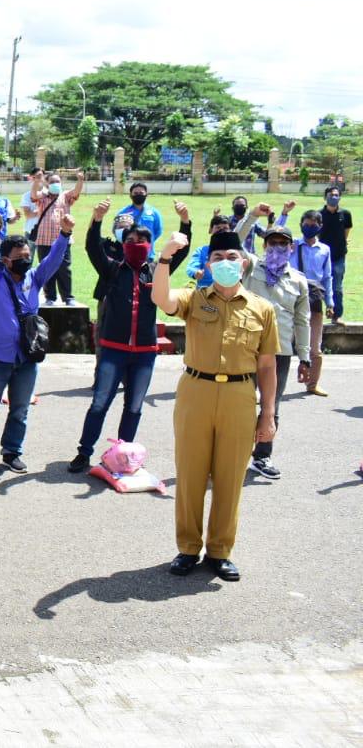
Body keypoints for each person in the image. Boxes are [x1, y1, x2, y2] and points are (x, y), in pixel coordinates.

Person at [152, 229, 279, 582]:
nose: (225, 263)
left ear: (244, 262)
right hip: (196, 390)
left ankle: (220, 551)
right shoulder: (195, 299)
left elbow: (267, 366)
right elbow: (162, 299)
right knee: (191, 474)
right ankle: (188, 548)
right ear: (208, 264)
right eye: (218, 258)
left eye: (232, 257)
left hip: (240, 395)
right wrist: (165, 258)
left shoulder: (262, 309)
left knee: (230, 478)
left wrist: (267, 414)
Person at [70, 199, 191, 472]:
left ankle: (123, 454)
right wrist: (97, 219)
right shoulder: (112, 268)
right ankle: (83, 452)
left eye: (142, 239)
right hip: (113, 349)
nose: (136, 243)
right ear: (123, 243)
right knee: (100, 403)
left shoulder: (156, 271)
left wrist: (186, 222)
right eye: (131, 239)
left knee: (134, 407)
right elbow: (92, 248)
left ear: (150, 245)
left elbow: (180, 253)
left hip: (145, 353)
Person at [0, 211, 74, 472]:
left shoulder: (35, 278)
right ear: (6, 260)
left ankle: (12, 451)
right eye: (20, 257)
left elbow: (54, 259)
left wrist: (65, 234)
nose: (26, 260)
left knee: (20, 409)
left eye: (28, 256)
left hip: (28, 356)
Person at [235, 209, 309, 480]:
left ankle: (262, 456)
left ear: (291, 247)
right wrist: (253, 215)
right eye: (272, 242)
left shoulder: (299, 281)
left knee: (271, 406)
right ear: (264, 245)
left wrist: (306, 358)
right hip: (246, 347)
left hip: (279, 353)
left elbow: (302, 323)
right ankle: (232, 453)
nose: (277, 246)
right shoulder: (252, 266)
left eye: (282, 243)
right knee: (239, 402)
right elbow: (236, 240)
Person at [291, 209, 333, 395]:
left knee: (315, 346)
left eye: (313, 225)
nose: (309, 228)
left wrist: (330, 302)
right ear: (301, 225)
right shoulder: (292, 245)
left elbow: (328, 277)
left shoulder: (324, 250)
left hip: (314, 299)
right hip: (291, 297)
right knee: (279, 346)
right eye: (306, 225)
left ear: (320, 227)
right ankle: (273, 384)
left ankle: (313, 384)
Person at [32, 171, 84, 306]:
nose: (55, 184)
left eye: (57, 182)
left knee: (64, 268)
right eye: (52, 182)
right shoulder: (43, 197)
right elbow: (33, 195)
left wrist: (80, 180)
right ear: (47, 184)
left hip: (63, 238)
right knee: (46, 268)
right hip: (44, 240)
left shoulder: (65, 196)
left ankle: (68, 297)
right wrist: (36, 182)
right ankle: (50, 297)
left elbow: (76, 192)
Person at [319, 187, 351, 324]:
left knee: (337, 287)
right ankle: (318, 315)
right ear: (325, 197)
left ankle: (336, 316)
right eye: (331, 195)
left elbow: (346, 231)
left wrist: (342, 245)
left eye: (337, 195)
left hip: (338, 256)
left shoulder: (345, 214)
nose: (334, 197)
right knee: (318, 287)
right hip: (321, 257)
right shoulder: (319, 215)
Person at [186, 216, 232, 287]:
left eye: (225, 228)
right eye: (218, 228)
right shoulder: (201, 251)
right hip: (205, 293)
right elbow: (190, 268)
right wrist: (196, 273)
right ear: (210, 230)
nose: (221, 231)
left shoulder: (235, 252)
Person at [117, 181, 164, 249]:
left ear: (146, 195)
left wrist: (147, 242)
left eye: (141, 193)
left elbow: (158, 231)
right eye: (135, 193)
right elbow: (117, 231)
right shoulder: (123, 212)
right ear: (130, 195)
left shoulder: (154, 212)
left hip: (148, 253)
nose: (138, 195)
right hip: (128, 253)